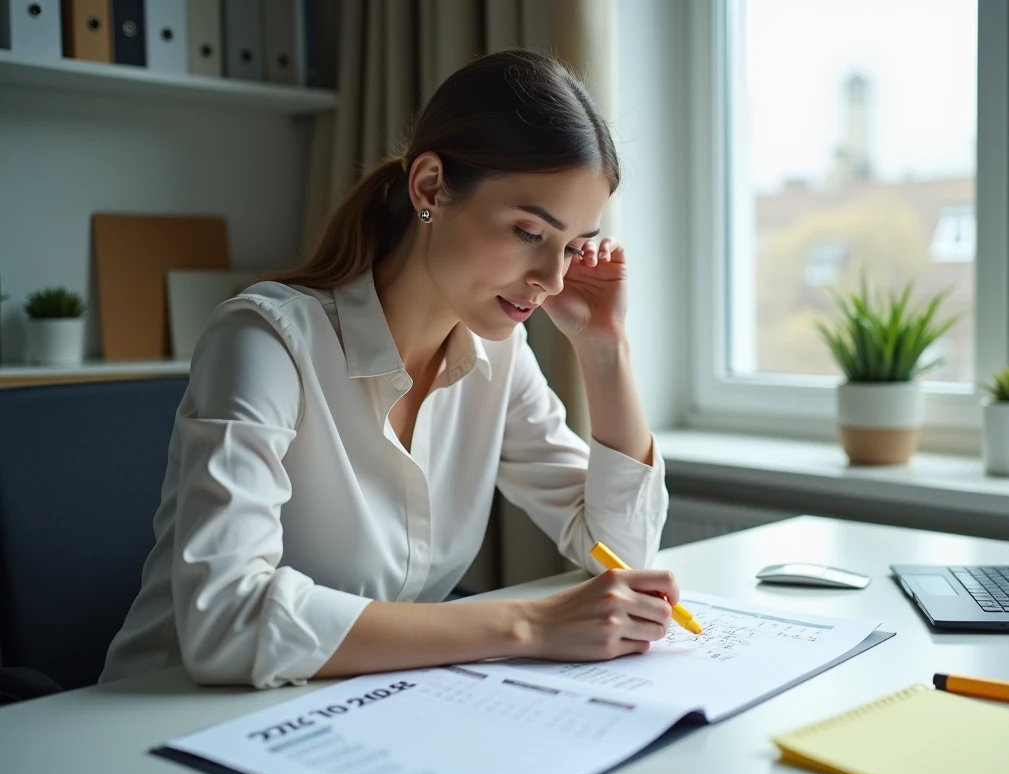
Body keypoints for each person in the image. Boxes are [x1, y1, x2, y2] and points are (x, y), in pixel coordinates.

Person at [99, 49, 677, 690]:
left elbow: (620, 553)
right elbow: (225, 621)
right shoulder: (266, 339)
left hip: (354, 709)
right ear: (430, 187)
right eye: (526, 231)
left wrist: (605, 346)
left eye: (571, 246)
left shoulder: (499, 354)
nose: (552, 278)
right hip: (165, 719)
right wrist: (527, 624)